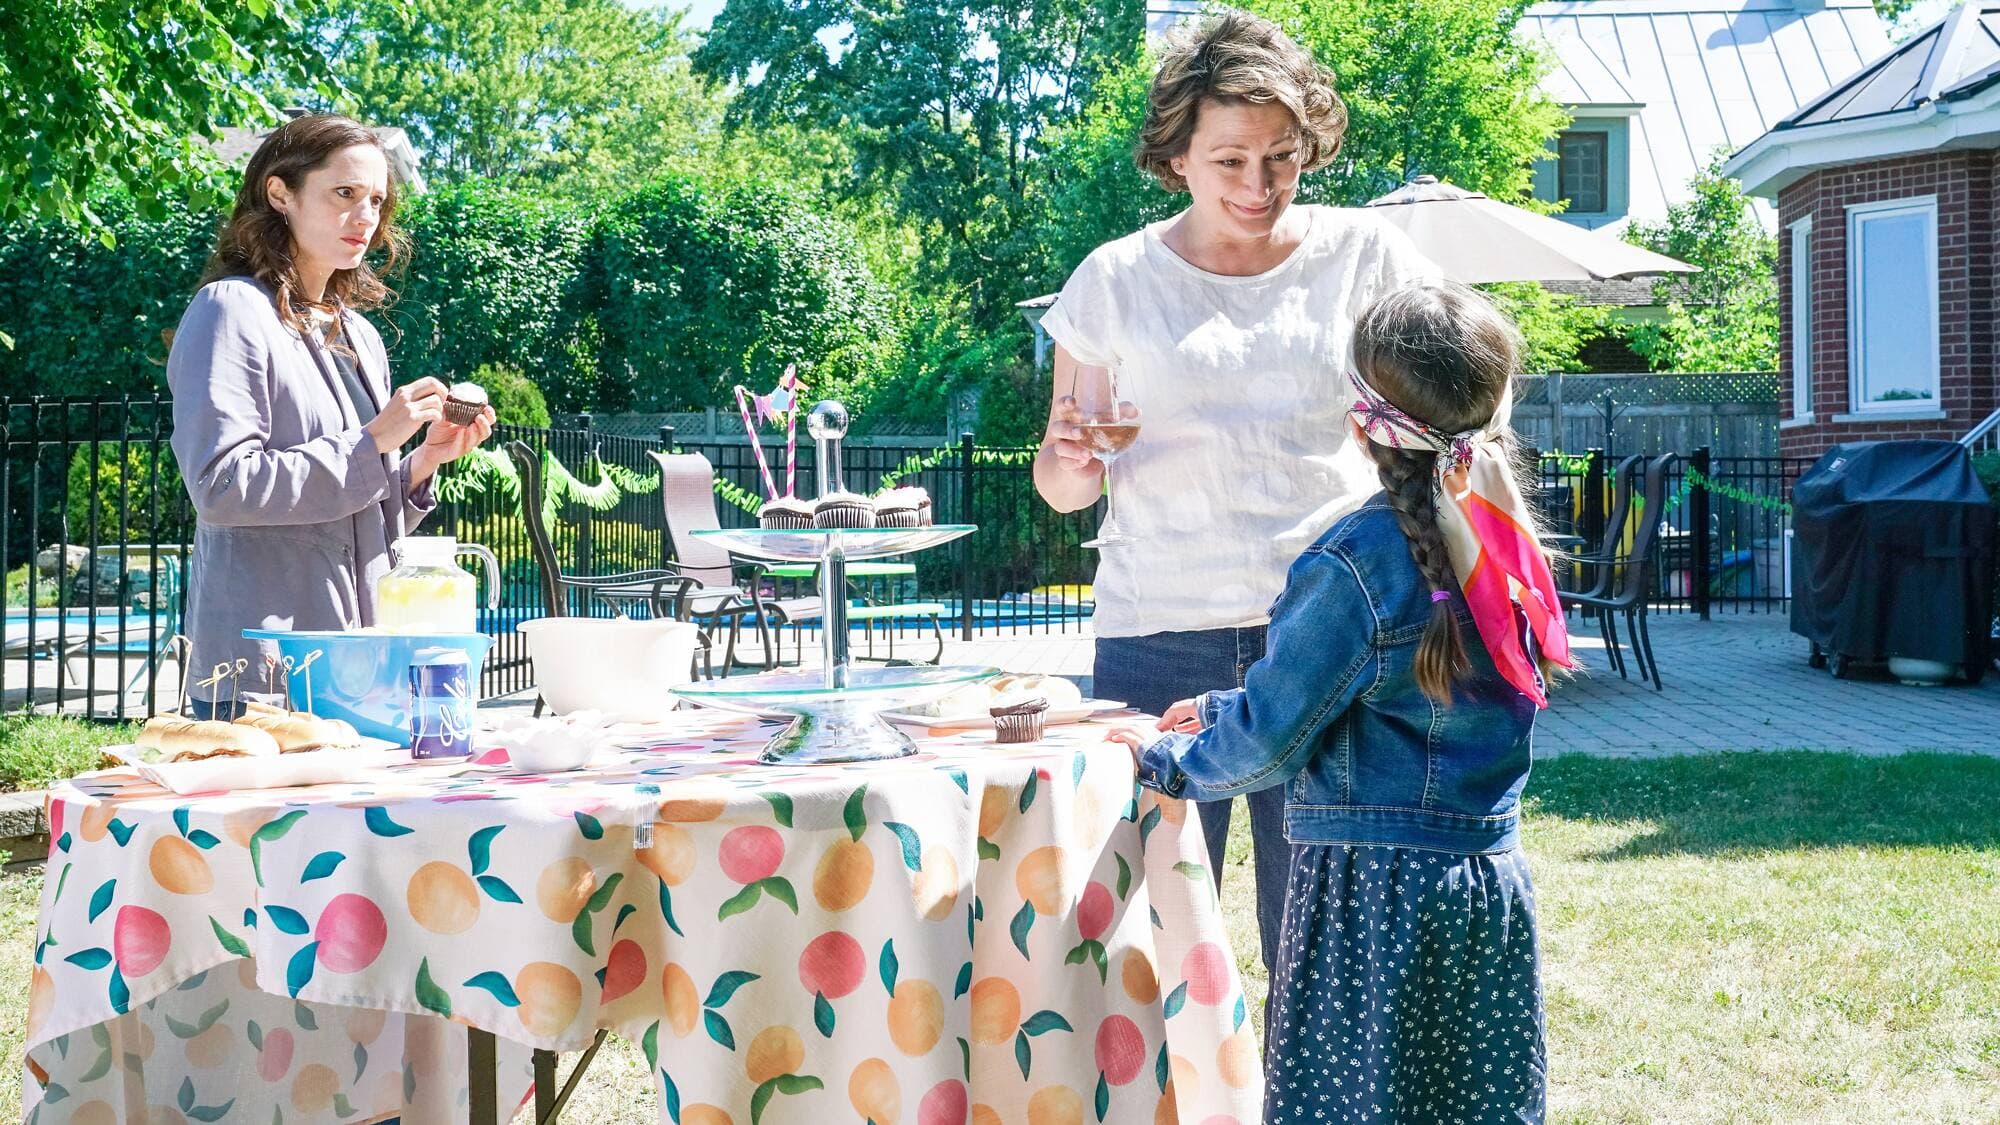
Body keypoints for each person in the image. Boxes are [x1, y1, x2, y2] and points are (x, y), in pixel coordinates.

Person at [1032, 9, 1439, 984]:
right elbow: (1059, 487)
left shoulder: (1365, 260)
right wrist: (1070, 454)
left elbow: (1445, 408)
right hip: (1157, 632)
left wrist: (1405, 431)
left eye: (1281, 157)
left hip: (1325, 636)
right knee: (1145, 947)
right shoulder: (1115, 282)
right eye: (1228, 161)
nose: (1257, 186)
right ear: (1175, 156)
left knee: (1326, 947)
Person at [1112, 282, 1574, 1123]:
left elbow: (1275, 740)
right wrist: (1218, 706)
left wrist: (1164, 758)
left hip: (1376, 897)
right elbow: (1364, 696)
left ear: (1364, 425)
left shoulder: (1354, 561)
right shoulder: (1506, 542)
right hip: (1482, 890)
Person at [167, 114, 495, 716]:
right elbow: (221, 486)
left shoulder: (359, 335)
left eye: (376, 199)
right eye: (344, 193)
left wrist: (422, 461)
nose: (366, 215)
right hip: (264, 674)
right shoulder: (229, 310)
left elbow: (359, 517)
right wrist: (373, 442)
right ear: (280, 193)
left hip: (365, 666)